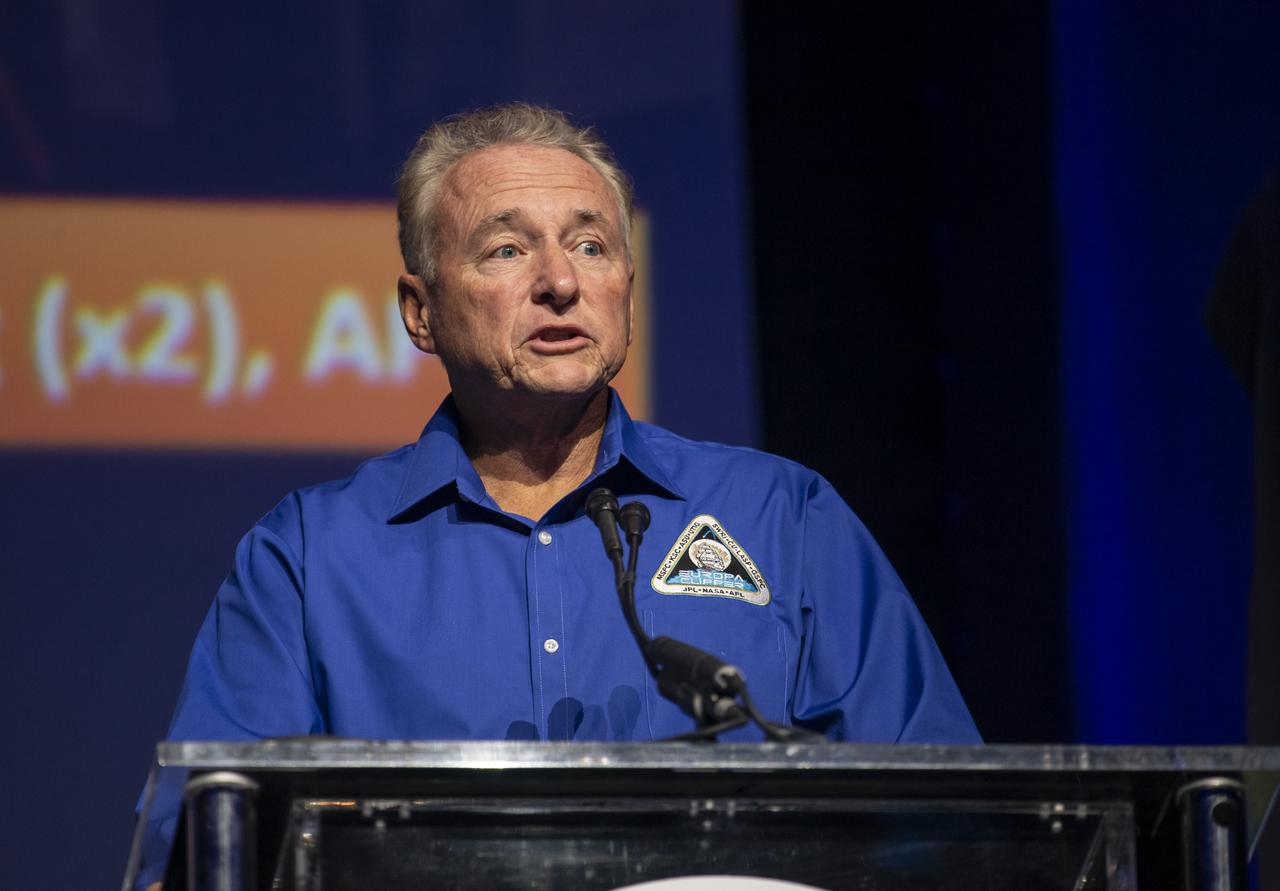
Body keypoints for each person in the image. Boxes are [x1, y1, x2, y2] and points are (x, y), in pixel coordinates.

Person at [133, 103, 980, 889]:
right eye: (507, 249)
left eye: (591, 246)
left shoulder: (782, 518)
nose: (560, 282)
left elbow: (954, 827)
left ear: (628, 292)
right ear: (420, 312)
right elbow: (207, 850)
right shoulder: (310, 556)